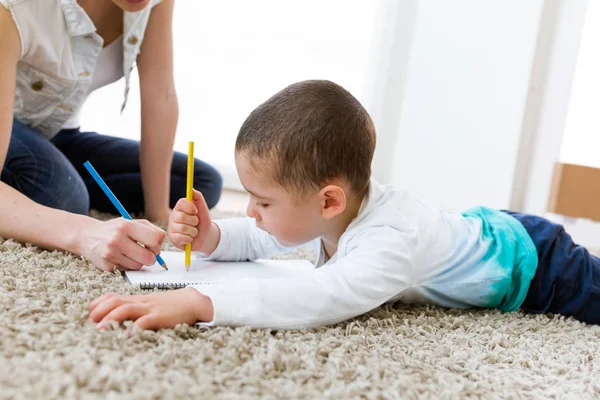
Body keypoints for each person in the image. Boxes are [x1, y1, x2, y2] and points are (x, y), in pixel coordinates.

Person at [88, 79, 600, 330]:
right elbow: (269, 235)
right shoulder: (334, 209)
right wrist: (212, 238)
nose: (251, 212)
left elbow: (324, 297)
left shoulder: (390, 240)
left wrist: (200, 303)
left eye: (262, 201)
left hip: (538, 264)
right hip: (487, 229)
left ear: (328, 199)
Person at [0, 0, 222, 272]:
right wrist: (85, 234)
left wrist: (159, 213)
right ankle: (48, 193)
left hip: (57, 136)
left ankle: (41, 188)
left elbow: (160, 95)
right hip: (10, 127)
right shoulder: (14, 7)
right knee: (65, 197)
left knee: (198, 184)